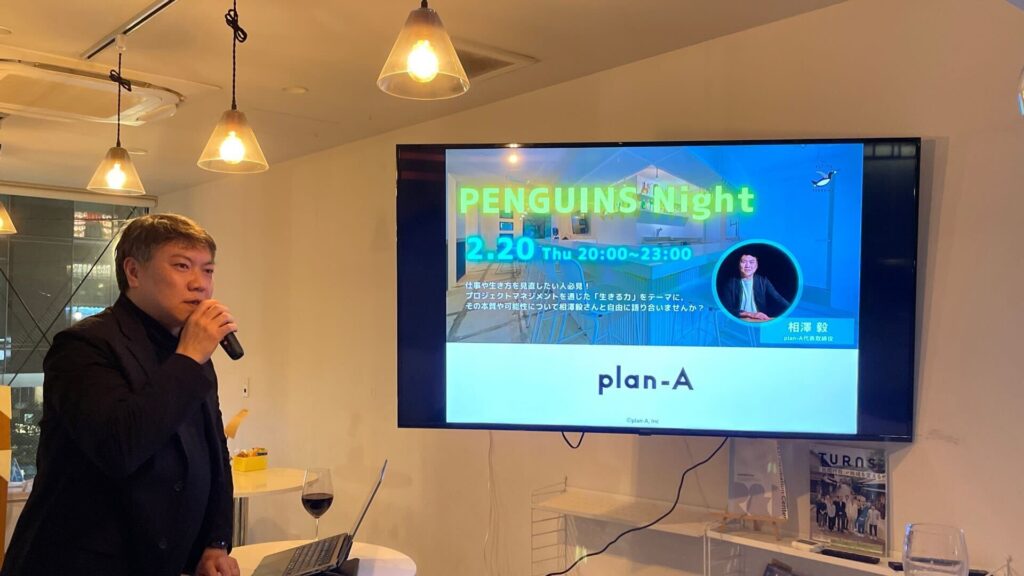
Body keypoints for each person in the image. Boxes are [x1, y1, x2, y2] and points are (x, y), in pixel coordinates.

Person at [2, 214, 240, 576]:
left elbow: (214, 449)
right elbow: (119, 446)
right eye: (182, 266)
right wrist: (189, 358)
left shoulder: (191, 350)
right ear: (133, 272)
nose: (200, 284)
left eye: (207, 270)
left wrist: (215, 541)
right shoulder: (83, 345)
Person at [719, 253, 791, 321]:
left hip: (758, 321)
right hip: (738, 321)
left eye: (751, 262)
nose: (747, 265)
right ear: (738, 264)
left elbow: (778, 298)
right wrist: (750, 314)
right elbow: (726, 309)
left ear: (757, 265)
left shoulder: (763, 281)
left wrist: (792, 309)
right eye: (743, 262)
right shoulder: (730, 283)